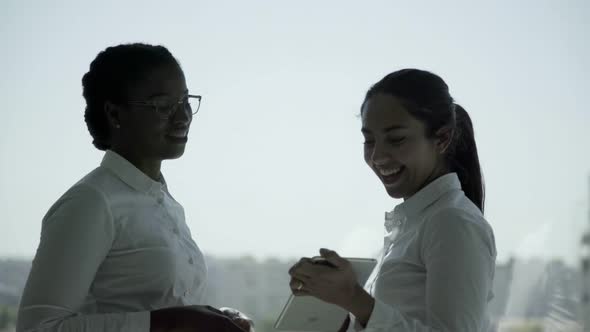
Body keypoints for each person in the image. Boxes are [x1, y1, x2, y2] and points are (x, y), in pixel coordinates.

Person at [16, 43, 250, 332]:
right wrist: (174, 323)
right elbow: (38, 327)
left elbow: (156, 307)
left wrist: (215, 318)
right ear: (115, 114)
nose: (183, 117)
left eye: (186, 102)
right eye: (164, 106)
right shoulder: (91, 202)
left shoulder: (161, 201)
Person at [288, 69, 497, 331]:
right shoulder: (418, 223)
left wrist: (353, 298)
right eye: (369, 140)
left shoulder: (452, 221)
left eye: (396, 139)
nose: (377, 156)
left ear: (442, 138)